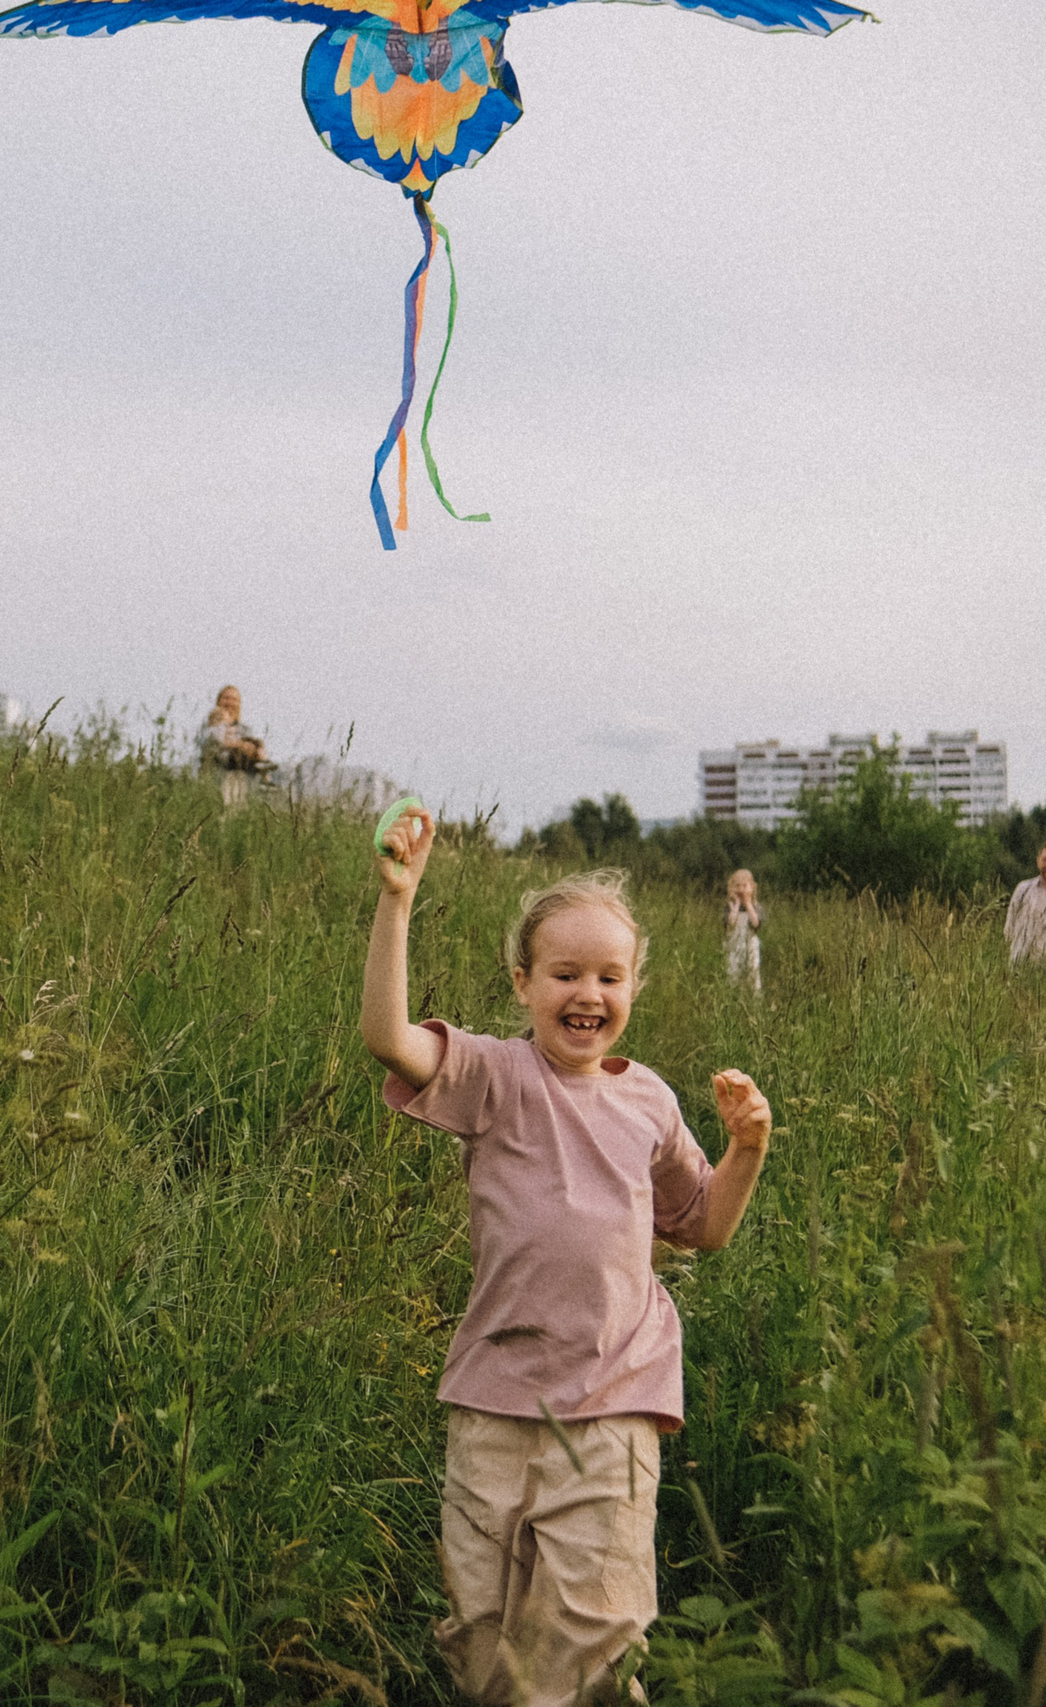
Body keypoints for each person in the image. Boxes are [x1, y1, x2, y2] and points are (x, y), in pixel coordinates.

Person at [361, 805, 772, 1707]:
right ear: (523, 982)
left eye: (609, 976)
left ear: (634, 988)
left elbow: (703, 1225)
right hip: (494, 1397)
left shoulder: (650, 1102)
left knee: (592, 1626)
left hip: (614, 1398)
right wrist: (398, 900)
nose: (589, 992)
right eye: (565, 973)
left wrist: (746, 1148)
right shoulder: (495, 1076)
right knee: (483, 1633)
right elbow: (389, 1038)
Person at [197, 683, 274, 810]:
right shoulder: (211, 725)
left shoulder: (245, 729)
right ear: (219, 701)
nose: (230, 702)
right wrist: (239, 745)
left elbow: (249, 746)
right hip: (220, 772)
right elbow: (207, 747)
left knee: (258, 745)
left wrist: (251, 750)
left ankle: (265, 774)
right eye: (226, 698)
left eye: (234, 699)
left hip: (246, 773)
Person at [723, 869, 763, 995]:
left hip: (751, 946)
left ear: (752, 887)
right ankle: (734, 997)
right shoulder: (729, 907)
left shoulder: (755, 907)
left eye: (744, 886)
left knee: (753, 973)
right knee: (733, 974)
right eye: (737, 886)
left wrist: (748, 903)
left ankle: (755, 1000)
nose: (741, 889)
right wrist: (736, 905)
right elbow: (731, 924)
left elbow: (755, 923)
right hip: (734, 945)